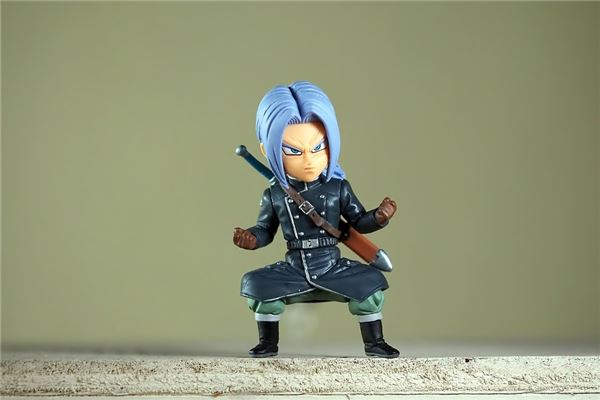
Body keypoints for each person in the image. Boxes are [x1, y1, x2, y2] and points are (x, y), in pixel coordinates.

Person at [233, 81, 399, 358]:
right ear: (267, 150)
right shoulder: (275, 195)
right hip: (294, 268)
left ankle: (375, 343)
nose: (309, 160)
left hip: (332, 265)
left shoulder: (338, 188)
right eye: (294, 151)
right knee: (255, 285)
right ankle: (267, 343)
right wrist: (251, 238)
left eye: (319, 146)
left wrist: (379, 217)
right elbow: (265, 230)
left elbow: (359, 222)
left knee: (371, 285)